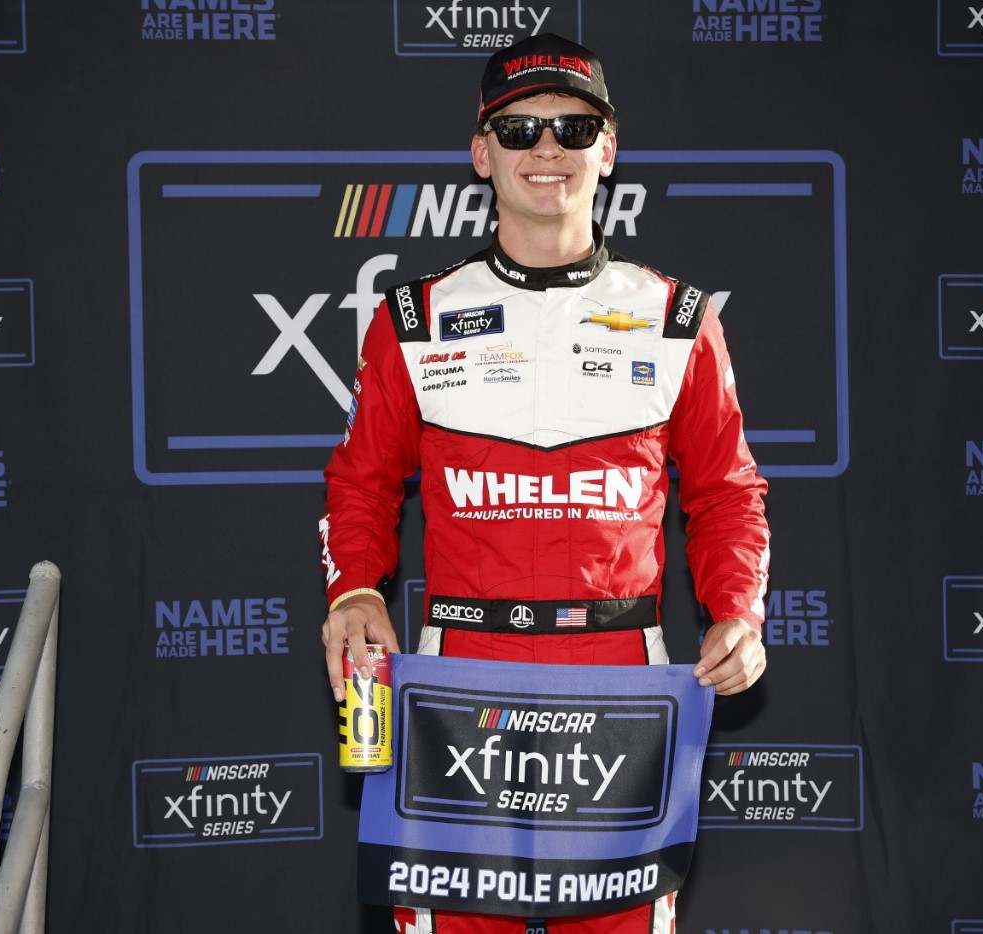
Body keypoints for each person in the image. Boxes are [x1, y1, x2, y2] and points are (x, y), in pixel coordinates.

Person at [320, 32, 771, 934]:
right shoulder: (413, 319)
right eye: (520, 130)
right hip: (457, 683)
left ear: (610, 147)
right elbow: (361, 482)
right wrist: (357, 587)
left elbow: (726, 490)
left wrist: (739, 608)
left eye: (573, 126)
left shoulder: (678, 317)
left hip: (620, 681)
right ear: (481, 153)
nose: (547, 150)